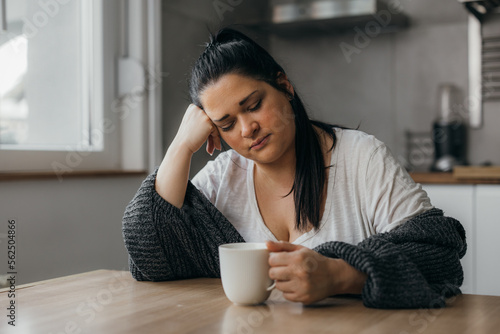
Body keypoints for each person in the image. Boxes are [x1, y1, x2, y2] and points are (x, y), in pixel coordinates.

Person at [122, 28, 466, 309]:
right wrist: (181, 146)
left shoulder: (363, 158)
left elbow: (439, 257)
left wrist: (340, 275)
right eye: (226, 124)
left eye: (253, 106)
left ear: (284, 87)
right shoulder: (222, 177)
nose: (246, 129)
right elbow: (152, 253)